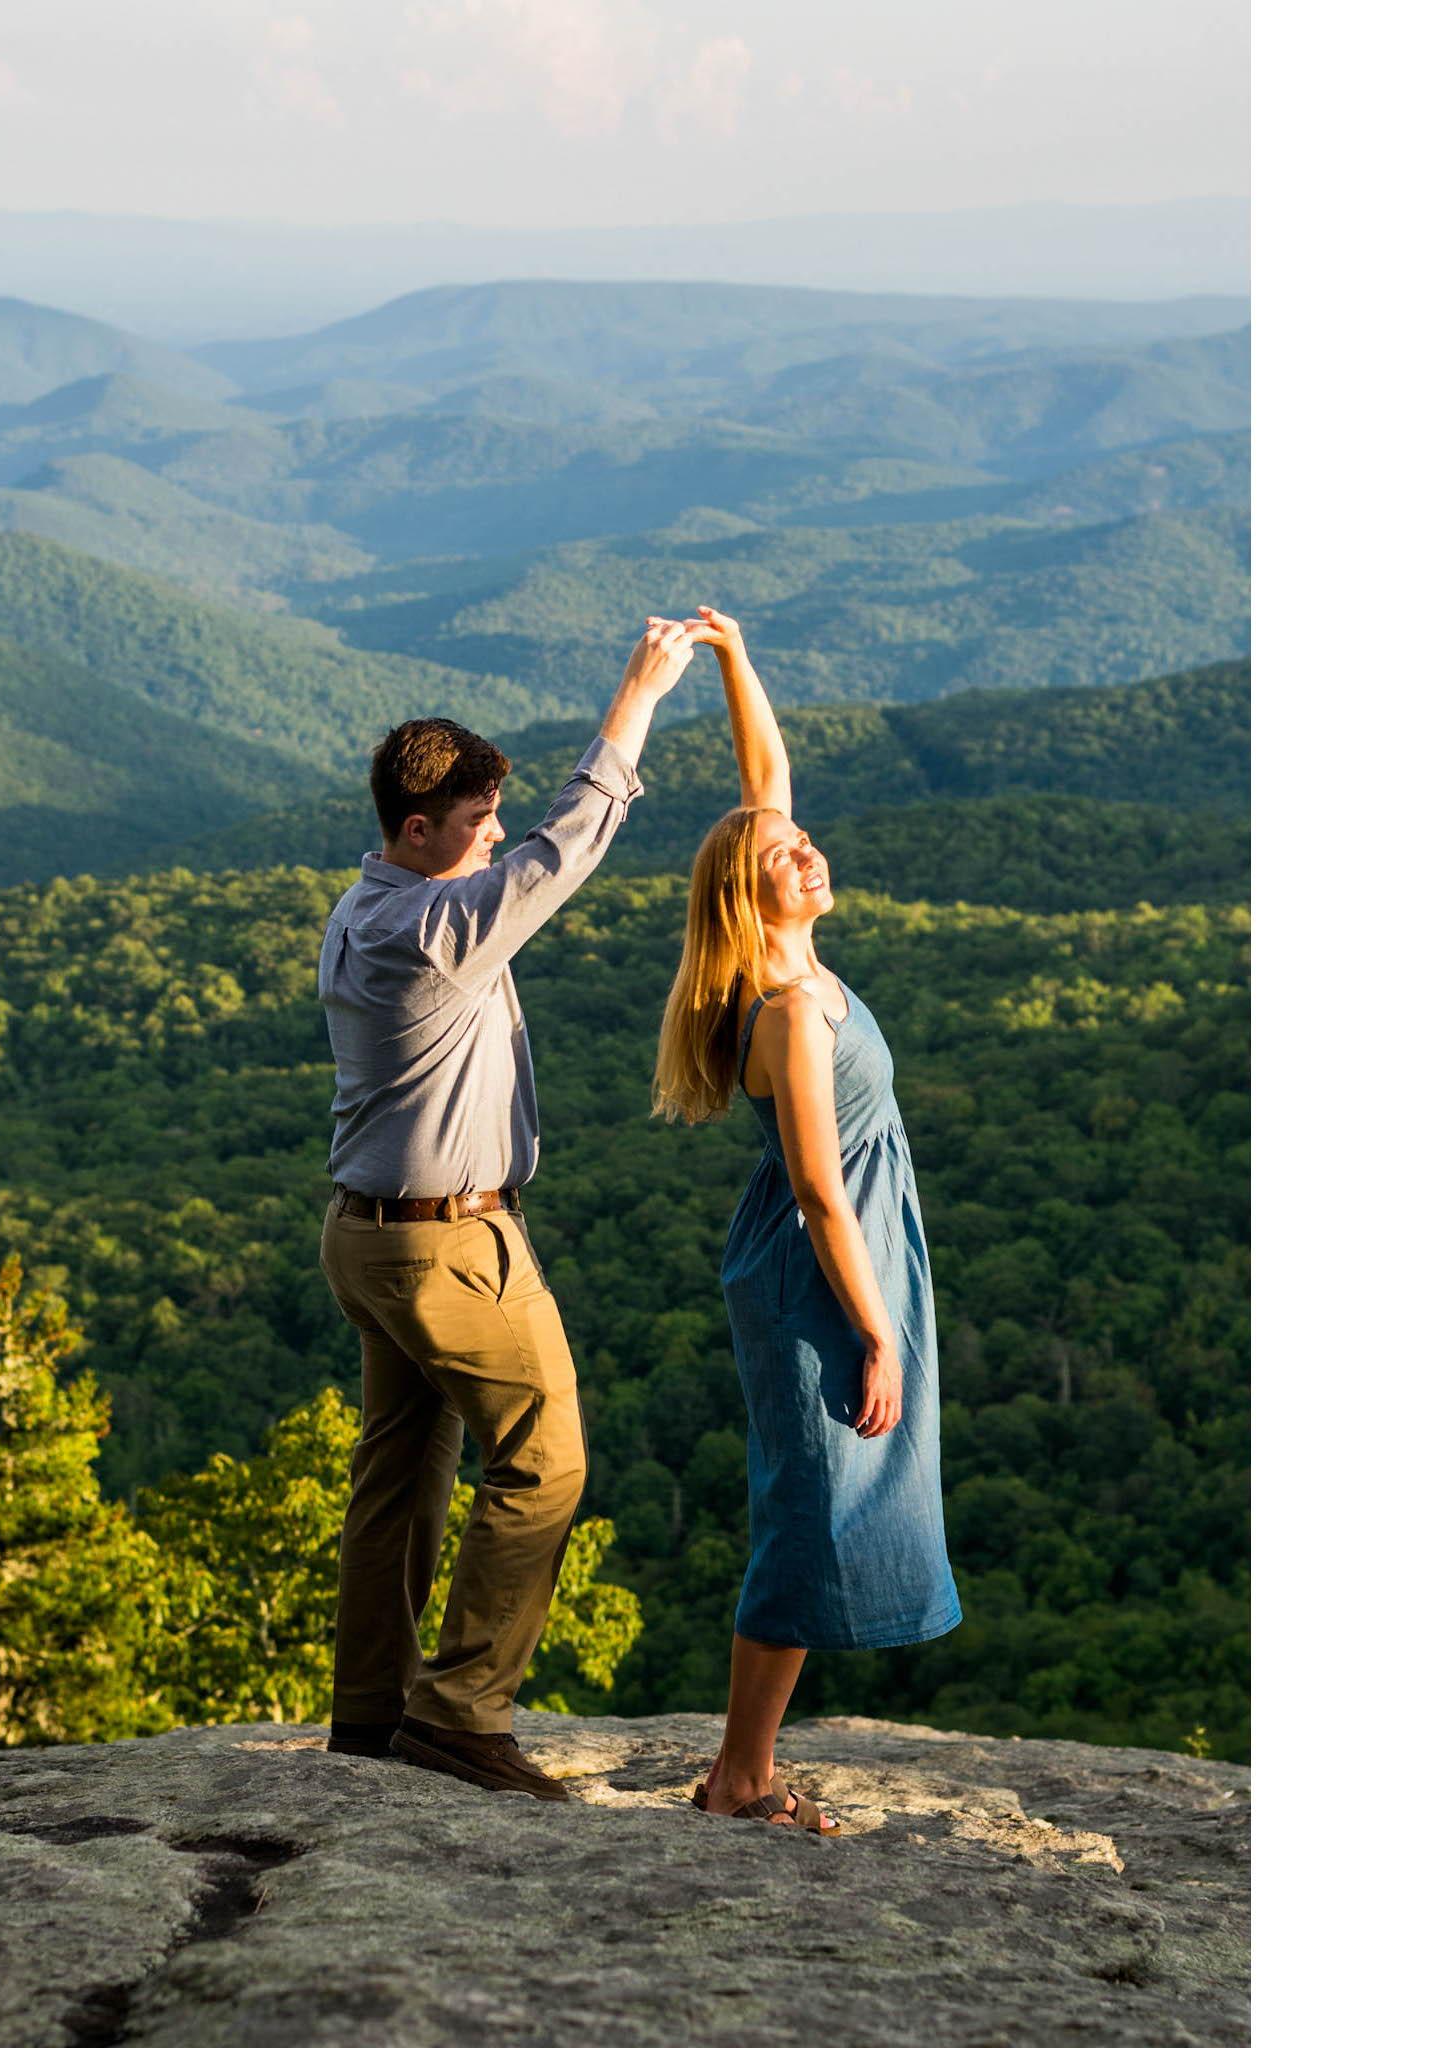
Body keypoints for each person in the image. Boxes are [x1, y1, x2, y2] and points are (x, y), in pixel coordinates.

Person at [317, 617, 706, 1801]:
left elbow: (527, 851)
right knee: (542, 1459)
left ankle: (371, 1714)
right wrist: (636, 692)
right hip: (447, 1243)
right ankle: (460, 1712)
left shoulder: (364, 905)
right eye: (476, 825)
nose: (494, 841)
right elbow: (571, 840)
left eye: (494, 821)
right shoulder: (431, 930)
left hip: (370, 1237)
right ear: (414, 825)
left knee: (402, 1469)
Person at [651, 606, 962, 1834]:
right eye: (785, 858)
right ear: (750, 894)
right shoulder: (786, 1009)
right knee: (805, 1503)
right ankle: (739, 1777)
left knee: (822, 1491)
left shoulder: (791, 968)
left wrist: (734, 660)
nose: (808, 854)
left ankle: (745, 1764)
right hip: (818, 1263)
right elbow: (823, 1191)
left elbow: (763, 785)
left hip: (843, 1247)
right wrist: (876, 1331)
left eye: (806, 843)